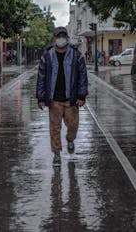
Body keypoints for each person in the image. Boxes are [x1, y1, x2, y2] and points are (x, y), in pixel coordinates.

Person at [36, 26, 88, 167]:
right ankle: (57, 154)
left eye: (63, 36)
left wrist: (81, 95)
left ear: (67, 38)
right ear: (54, 38)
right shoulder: (47, 56)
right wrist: (41, 98)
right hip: (54, 100)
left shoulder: (76, 55)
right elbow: (41, 77)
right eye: (59, 36)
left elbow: (83, 76)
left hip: (71, 98)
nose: (61, 39)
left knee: (73, 125)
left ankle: (70, 139)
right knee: (54, 128)